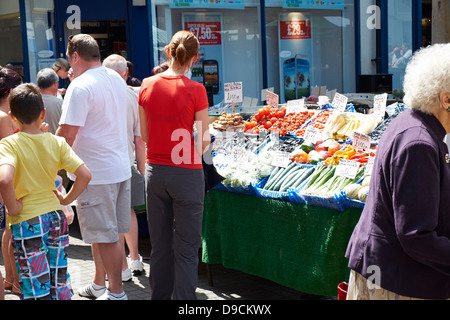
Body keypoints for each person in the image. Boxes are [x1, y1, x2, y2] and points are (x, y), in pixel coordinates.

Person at [345, 43, 450, 300]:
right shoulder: (419, 142)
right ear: (446, 98)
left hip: (390, 272)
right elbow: (416, 235)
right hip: (396, 280)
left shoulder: (412, 122)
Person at [56, 34, 131, 300]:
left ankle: (116, 292)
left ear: (75, 57)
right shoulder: (115, 78)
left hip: (97, 173)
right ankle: (101, 285)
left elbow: (66, 135)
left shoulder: (80, 85)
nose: (70, 67)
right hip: (119, 168)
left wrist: (49, 165)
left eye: (70, 59)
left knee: (106, 236)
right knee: (108, 234)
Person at [0, 83, 91, 300]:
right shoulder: (57, 142)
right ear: (43, 113)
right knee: (58, 280)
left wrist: (13, 207)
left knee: (34, 283)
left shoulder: (9, 145)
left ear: (12, 116)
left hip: (27, 221)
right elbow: (85, 174)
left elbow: (4, 179)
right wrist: (66, 198)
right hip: (55, 218)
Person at [138, 30, 210, 300]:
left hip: (155, 171)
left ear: (168, 52)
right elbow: (203, 142)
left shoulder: (146, 84)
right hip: (187, 173)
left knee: (160, 246)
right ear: (196, 57)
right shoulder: (196, 89)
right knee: (187, 246)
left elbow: (144, 135)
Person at [102, 54, 146, 280]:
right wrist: (142, 167)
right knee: (127, 212)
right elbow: (140, 139)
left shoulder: (100, 95)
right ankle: (135, 258)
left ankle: (122, 269)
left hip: (107, 165)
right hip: (128, 162)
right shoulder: (133, 96)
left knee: (112, 217)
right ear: (126, 73)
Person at [0, 68, 22, 299]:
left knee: (9, 232)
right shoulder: (4, 117)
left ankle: (10, 279)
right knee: (12, 232)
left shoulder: (6, 115)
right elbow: (10, 156)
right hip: (10, 183)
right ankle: (15, 282)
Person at [37, 68, 62, 134]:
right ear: (55, 84)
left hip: (35, 143)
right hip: (57, 143)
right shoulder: (62, 104)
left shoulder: (31, 102)